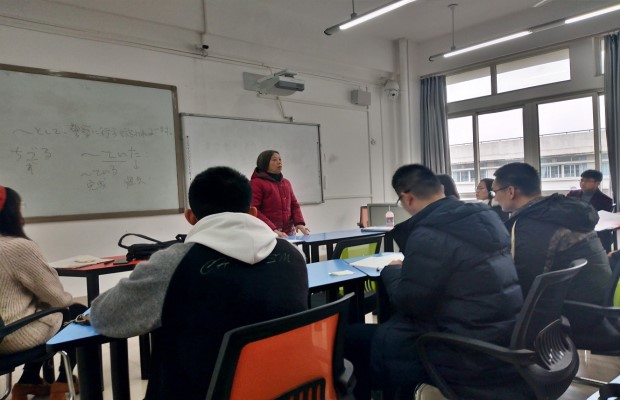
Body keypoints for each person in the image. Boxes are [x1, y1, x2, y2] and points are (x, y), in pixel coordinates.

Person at [90, 166, 309, 400]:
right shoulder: (294, 256)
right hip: (286, 389)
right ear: (253, 213)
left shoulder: (173, 264)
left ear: (190, 217)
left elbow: (105, 317)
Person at [345, 164, 523, 399]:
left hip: (460, 351)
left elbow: (409, 303)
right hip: (500, 336)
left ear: (408, 198)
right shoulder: (485, 218)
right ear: (440, 189)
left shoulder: (429, 233)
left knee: (348, 338)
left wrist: (392, 271)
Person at [492, 163, 611, 323]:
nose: (495, 198)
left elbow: (527, 280)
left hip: (573, 315)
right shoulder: (559, 211)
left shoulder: (532, 224)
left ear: (511, 191)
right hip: (597, 302)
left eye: (495, 191)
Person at [0, 185, 85, 400]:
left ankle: (28, 381)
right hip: (10, 337)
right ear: (11, 212)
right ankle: (63, 383)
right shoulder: (16, 248)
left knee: (42, 313)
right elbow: (57, 298)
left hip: (5, 332)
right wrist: (65, 301)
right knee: (77, 313)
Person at [251, 150, 310, 238]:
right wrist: (273, 229)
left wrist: (299, 223)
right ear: (264, 163)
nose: (279, 162)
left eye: (280, 159)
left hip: (288, 234)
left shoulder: (286, 183)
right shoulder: (256, 183)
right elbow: (254, 210)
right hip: (267, 234)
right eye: (274, 160)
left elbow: (294, 205)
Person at [567, 169, 614, 252]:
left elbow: (600, 221)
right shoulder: (572, 194)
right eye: (582, 180)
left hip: (594, 232)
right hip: (573, 229)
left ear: (597, 183)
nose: (583, 183)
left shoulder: (606, 200)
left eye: (587, 181)